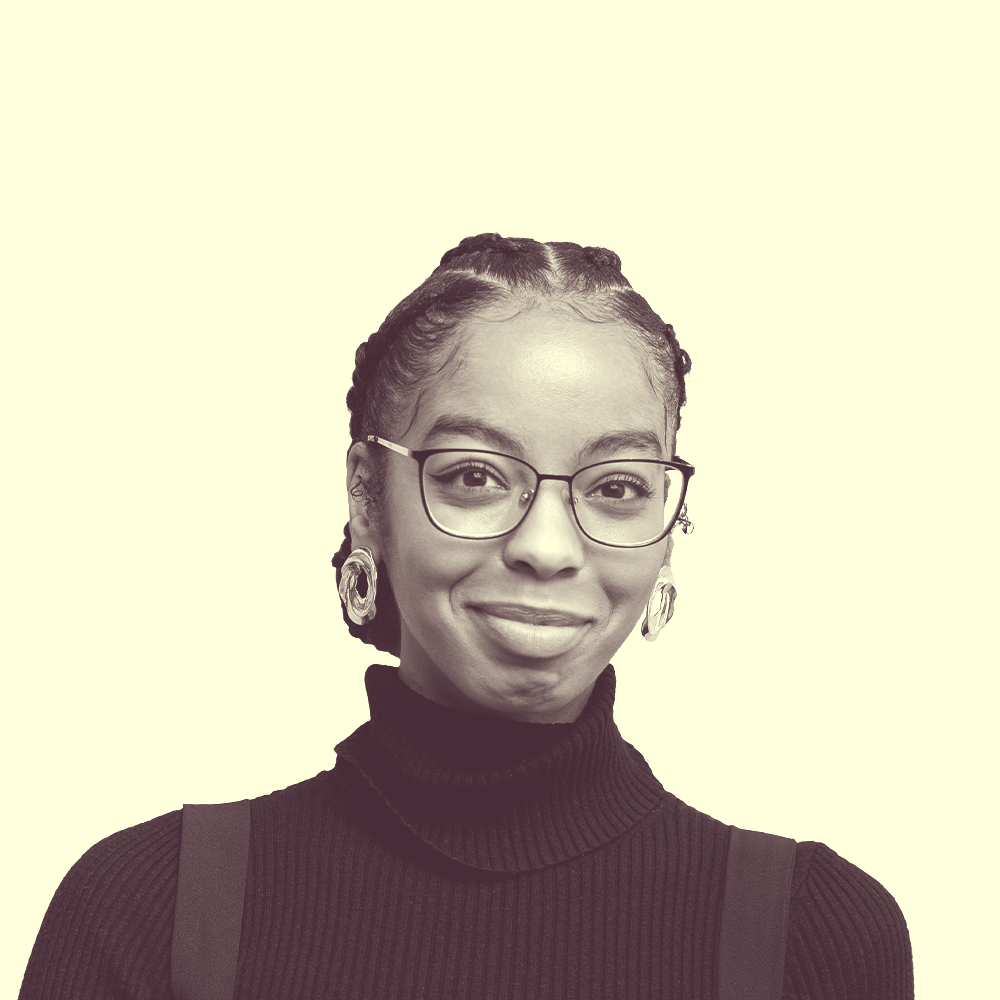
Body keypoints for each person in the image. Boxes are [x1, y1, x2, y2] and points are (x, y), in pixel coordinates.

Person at [19, 234, 913, 999]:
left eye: (617, 487)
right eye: (476, 475)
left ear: (669, 526)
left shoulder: (813, 939)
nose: (550, 547)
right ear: (369, 496)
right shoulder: (150, 909)